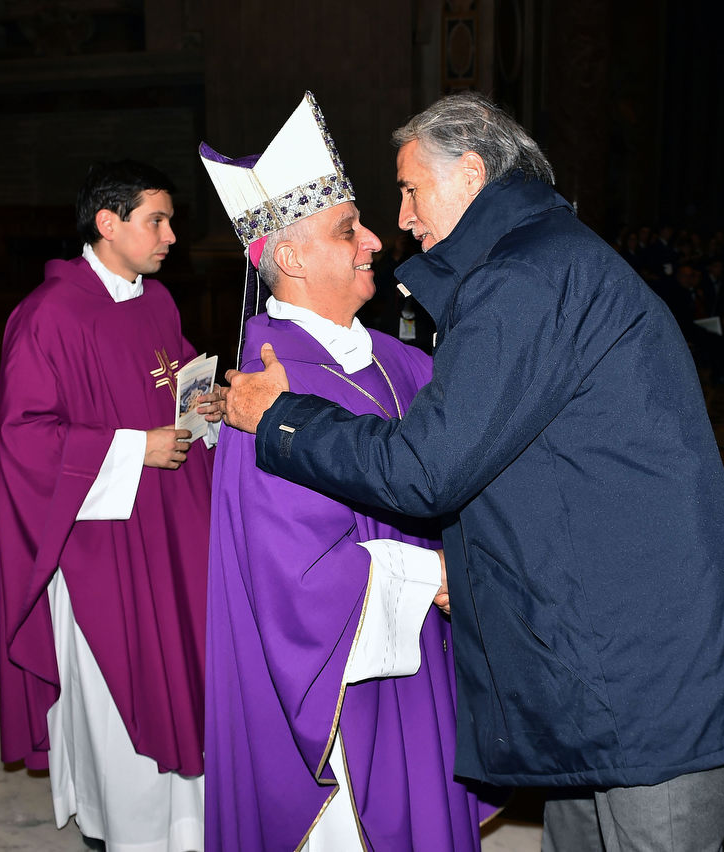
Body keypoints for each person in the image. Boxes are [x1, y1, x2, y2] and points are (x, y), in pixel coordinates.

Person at [215, 92, 724, 850]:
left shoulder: (526, 279)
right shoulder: (538, 258)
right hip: (600, 660)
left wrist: (282, 420)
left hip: (641, 673)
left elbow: (425, 470)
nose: (400, 224)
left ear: (472, 174)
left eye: (411, 190)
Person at [197, 91, 498, 852]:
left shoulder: (403, 361)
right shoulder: (266, 394)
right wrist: (434, 576)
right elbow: (295, 582)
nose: (374, 240)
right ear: (290, 258)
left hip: (424, 656)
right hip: (346, 690)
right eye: (347, 230)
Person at [0, 160, 215, 852]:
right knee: (121, 693)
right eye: (158, 220)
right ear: (108, 223)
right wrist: (128, 450)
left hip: (166, 527)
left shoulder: (154, 300)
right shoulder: (47, 318)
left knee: (182, 665)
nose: (172, 235)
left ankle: (192, 827)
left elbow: (168, 379)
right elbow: (21, 438)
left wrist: (199, 402)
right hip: (99, 544)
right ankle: (124, 832)